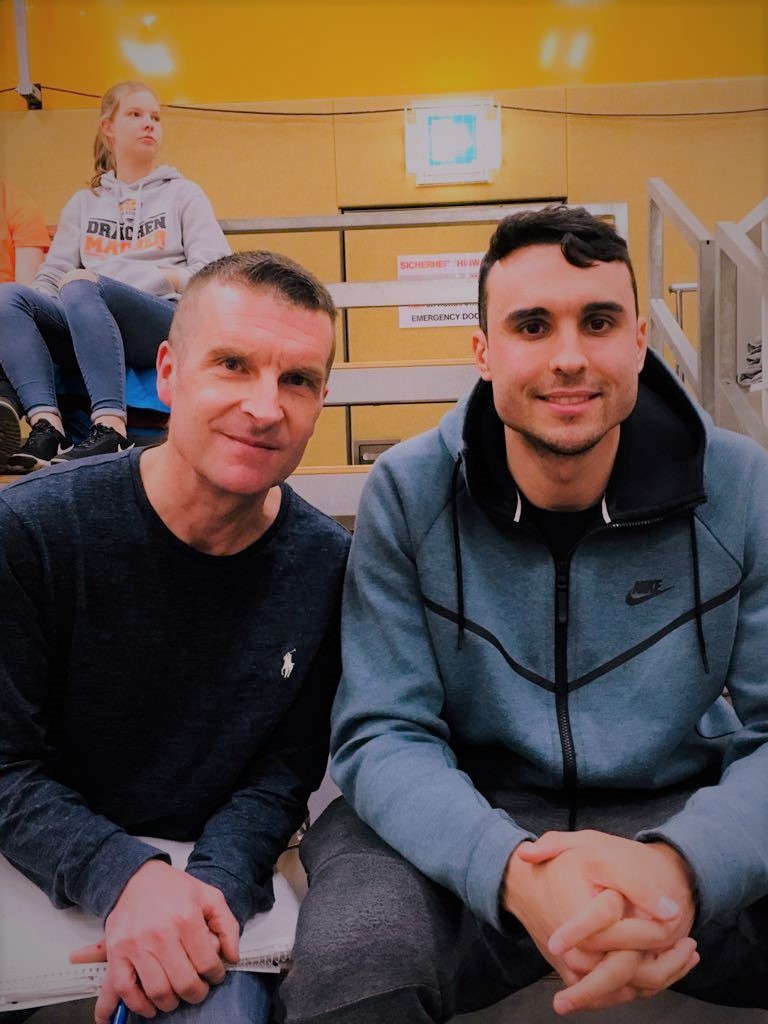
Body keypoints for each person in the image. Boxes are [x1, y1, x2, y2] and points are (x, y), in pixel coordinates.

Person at [279, 206, 768, 1023]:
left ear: (639, 341)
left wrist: (683, 865)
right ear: (483, 351)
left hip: (683, 806)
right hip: (465, 816)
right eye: (532, 325)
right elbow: (382, 732)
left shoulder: (741, 485)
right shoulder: (408, 491)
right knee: (355, 964)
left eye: (598, 322)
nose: (568, 357)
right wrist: (513, 870)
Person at [0, 250, 350, 1024]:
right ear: (167, 373)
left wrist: (208, 895)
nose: (265, 407)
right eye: (232, 364)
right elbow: (4, 764)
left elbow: (281, 774)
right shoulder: (30, 531)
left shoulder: (327, 565)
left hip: (205, 885)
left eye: (297, 379)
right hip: (29, 862)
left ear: (322, 399)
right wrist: (125, 877)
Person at [0, 79, 230, 474]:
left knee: (80, 284)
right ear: (108, 127)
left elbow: (216, 272)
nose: (149, 124)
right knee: (9, 297)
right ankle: (46, 425)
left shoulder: (183, 194)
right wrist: (41, 316)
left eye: (155, 117)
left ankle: (110, 426)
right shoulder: (83, 203)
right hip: (87, 315)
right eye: (136, 114)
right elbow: (51, 273)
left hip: (162, 318)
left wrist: (160, 278)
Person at [0, 179, 50, 470]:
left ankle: (4, 404)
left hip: (5, 323)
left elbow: (25, 294)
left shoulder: (16, 205)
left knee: (9, 319)